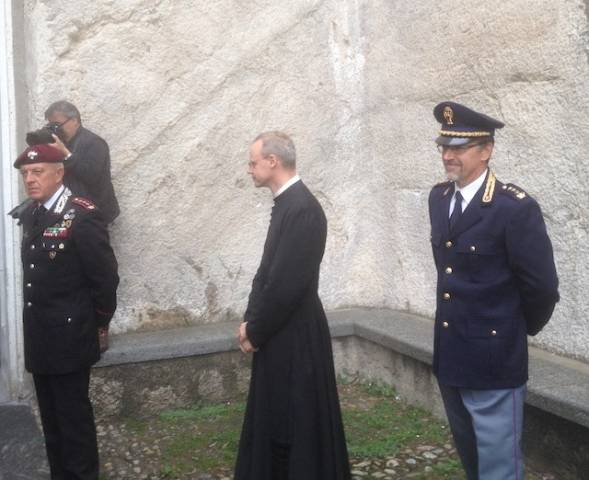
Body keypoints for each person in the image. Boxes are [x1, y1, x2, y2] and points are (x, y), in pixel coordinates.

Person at [428, 101, 559, 480]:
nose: (448, 156)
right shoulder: (439, 200)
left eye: (459, 148)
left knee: (499, 468)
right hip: (451, 355)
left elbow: (542, 288)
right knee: (473, 460)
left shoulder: (513, 208)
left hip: (493, 359)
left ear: (486, 151)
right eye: (444, 147)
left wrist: (510, 330)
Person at [234, 131, 351, 480]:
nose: (249, 169)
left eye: (253, 162)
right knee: (277, 414)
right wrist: (251, 318)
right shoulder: (287, 204)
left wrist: (255, 330)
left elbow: (286, 285)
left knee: (295, 419)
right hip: (281, 330)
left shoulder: (303, 210)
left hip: (296, 334)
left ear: (273, 162)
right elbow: (267, 272)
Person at [14, 143, 119, 480]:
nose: (30, 179)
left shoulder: (82, 214)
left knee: (73, 423)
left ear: (59, 173)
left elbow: (105, 279)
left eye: (38, 171)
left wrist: (96, 324)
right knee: (52, 423)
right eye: (26, 173)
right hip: (41, 336)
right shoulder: (32, 212)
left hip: (71, 336)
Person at [44, 100, 120, 224]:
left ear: (74, 120)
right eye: (51, 126)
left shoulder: (95, 143)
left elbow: (91, 176)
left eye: (57, 125)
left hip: (94, 213)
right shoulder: (58, 144)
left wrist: (65, 153)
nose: (55, 130)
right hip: (67, 212)